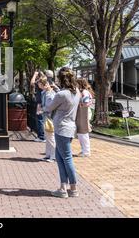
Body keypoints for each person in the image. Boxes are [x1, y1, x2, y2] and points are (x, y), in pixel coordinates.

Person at [46, 67, 81, 198]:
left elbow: (49, 107)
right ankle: (63, 187)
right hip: (70, 127)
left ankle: (73, 188)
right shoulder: (76, 92)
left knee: (66, 158)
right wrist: (56, 90)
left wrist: (50, 93)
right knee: (60, 159)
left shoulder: (61, 94)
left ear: (60, 79)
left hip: (61, 128)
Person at [37, 77, 56, 162]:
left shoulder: (49, 94)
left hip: (49, 118)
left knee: (50, 137)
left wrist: (41, 110)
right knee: (48, 137)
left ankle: (53, 156)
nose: (38, 85)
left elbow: (49, 107)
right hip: (48, 117)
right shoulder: (46, 93)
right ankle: (48, 155)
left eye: (40, 84)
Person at [76, 78, 94, 157]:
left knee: (83, 132)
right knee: (81, 133)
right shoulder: (83, 91)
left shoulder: (84, 92)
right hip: (82, 112)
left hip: (84, 112)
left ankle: (86, 151)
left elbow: (86, 103)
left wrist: (79, 103)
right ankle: (84, 150)